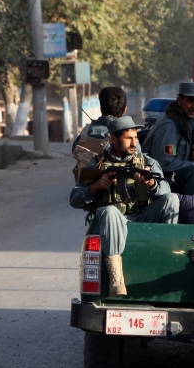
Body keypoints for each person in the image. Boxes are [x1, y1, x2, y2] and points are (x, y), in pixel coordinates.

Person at [70, 116, 179, 296]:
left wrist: (151, 184)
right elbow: (74, 199)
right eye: (128, 138)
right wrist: (96, 186)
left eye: (135, 138)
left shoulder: (147, 162)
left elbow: (166, 189)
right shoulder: (97, 164)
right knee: (110, 211)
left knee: (172, 199)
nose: (134, 142)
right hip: (115, 222)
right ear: (114, 139)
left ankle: (168, 259)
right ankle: (116, 278)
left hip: (143, 217)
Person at [72, 87, 129, 181]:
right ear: (125, 109)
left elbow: (74, 151)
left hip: (84, 187)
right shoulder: (126, 136)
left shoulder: (85, 131)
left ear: (101, 109)